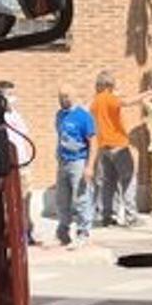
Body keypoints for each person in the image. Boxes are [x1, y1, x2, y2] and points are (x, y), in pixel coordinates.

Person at [90, 69, 142, 227]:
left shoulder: (95, 102)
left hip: (104, 148)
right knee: (128, 180)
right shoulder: (110, 98)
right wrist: (148, 94)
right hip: (119, 145)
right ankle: (131, 217)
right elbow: (127, 102)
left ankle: (107, 216)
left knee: (108, 183)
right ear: (109, 84)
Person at [53, 86, 97, 249]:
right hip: (63, 161)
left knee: (81, 198)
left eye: (65, 96)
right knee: (62, 199)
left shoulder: (83, 116)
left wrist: (89, 166)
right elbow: (60, 136)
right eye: (60, 97)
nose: (62, 100)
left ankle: (83, 232)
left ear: (73, 96)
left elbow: (93, 142)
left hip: (79, 161)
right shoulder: (60, 115)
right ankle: (63, 233)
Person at [0, 81, 38, 245]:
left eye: (13, 94)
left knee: (26, 200)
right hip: (8, 166)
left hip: (23, 164)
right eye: (8, 95)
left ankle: (27, 231)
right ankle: (12, 233)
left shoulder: (16, 115)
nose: (12, 98)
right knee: (9, 202)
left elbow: (23, 138)